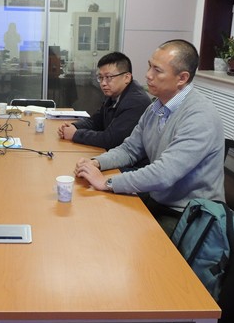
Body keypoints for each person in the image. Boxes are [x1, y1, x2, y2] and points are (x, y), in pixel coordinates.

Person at [74, 39, 225, 235]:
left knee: (119, 235)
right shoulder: (156, 107)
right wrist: (96, 163)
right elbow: (130, 149)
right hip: (158, 198)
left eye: (157, 70)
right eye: (149, 66)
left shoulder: (200, 117)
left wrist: (107, 183)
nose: (148, 75)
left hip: (187, 214)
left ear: (182, 78)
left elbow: (164, 173)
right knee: (97, 217)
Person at [57, 52, 151, 150]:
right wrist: (74, 126)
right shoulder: (114, 94)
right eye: (100, 77)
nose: (103, 83)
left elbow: (111, 140)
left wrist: (76, 134)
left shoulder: (136, 102)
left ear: (126, 78)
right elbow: (96, 121)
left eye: (109, 77)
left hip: (131, 158)